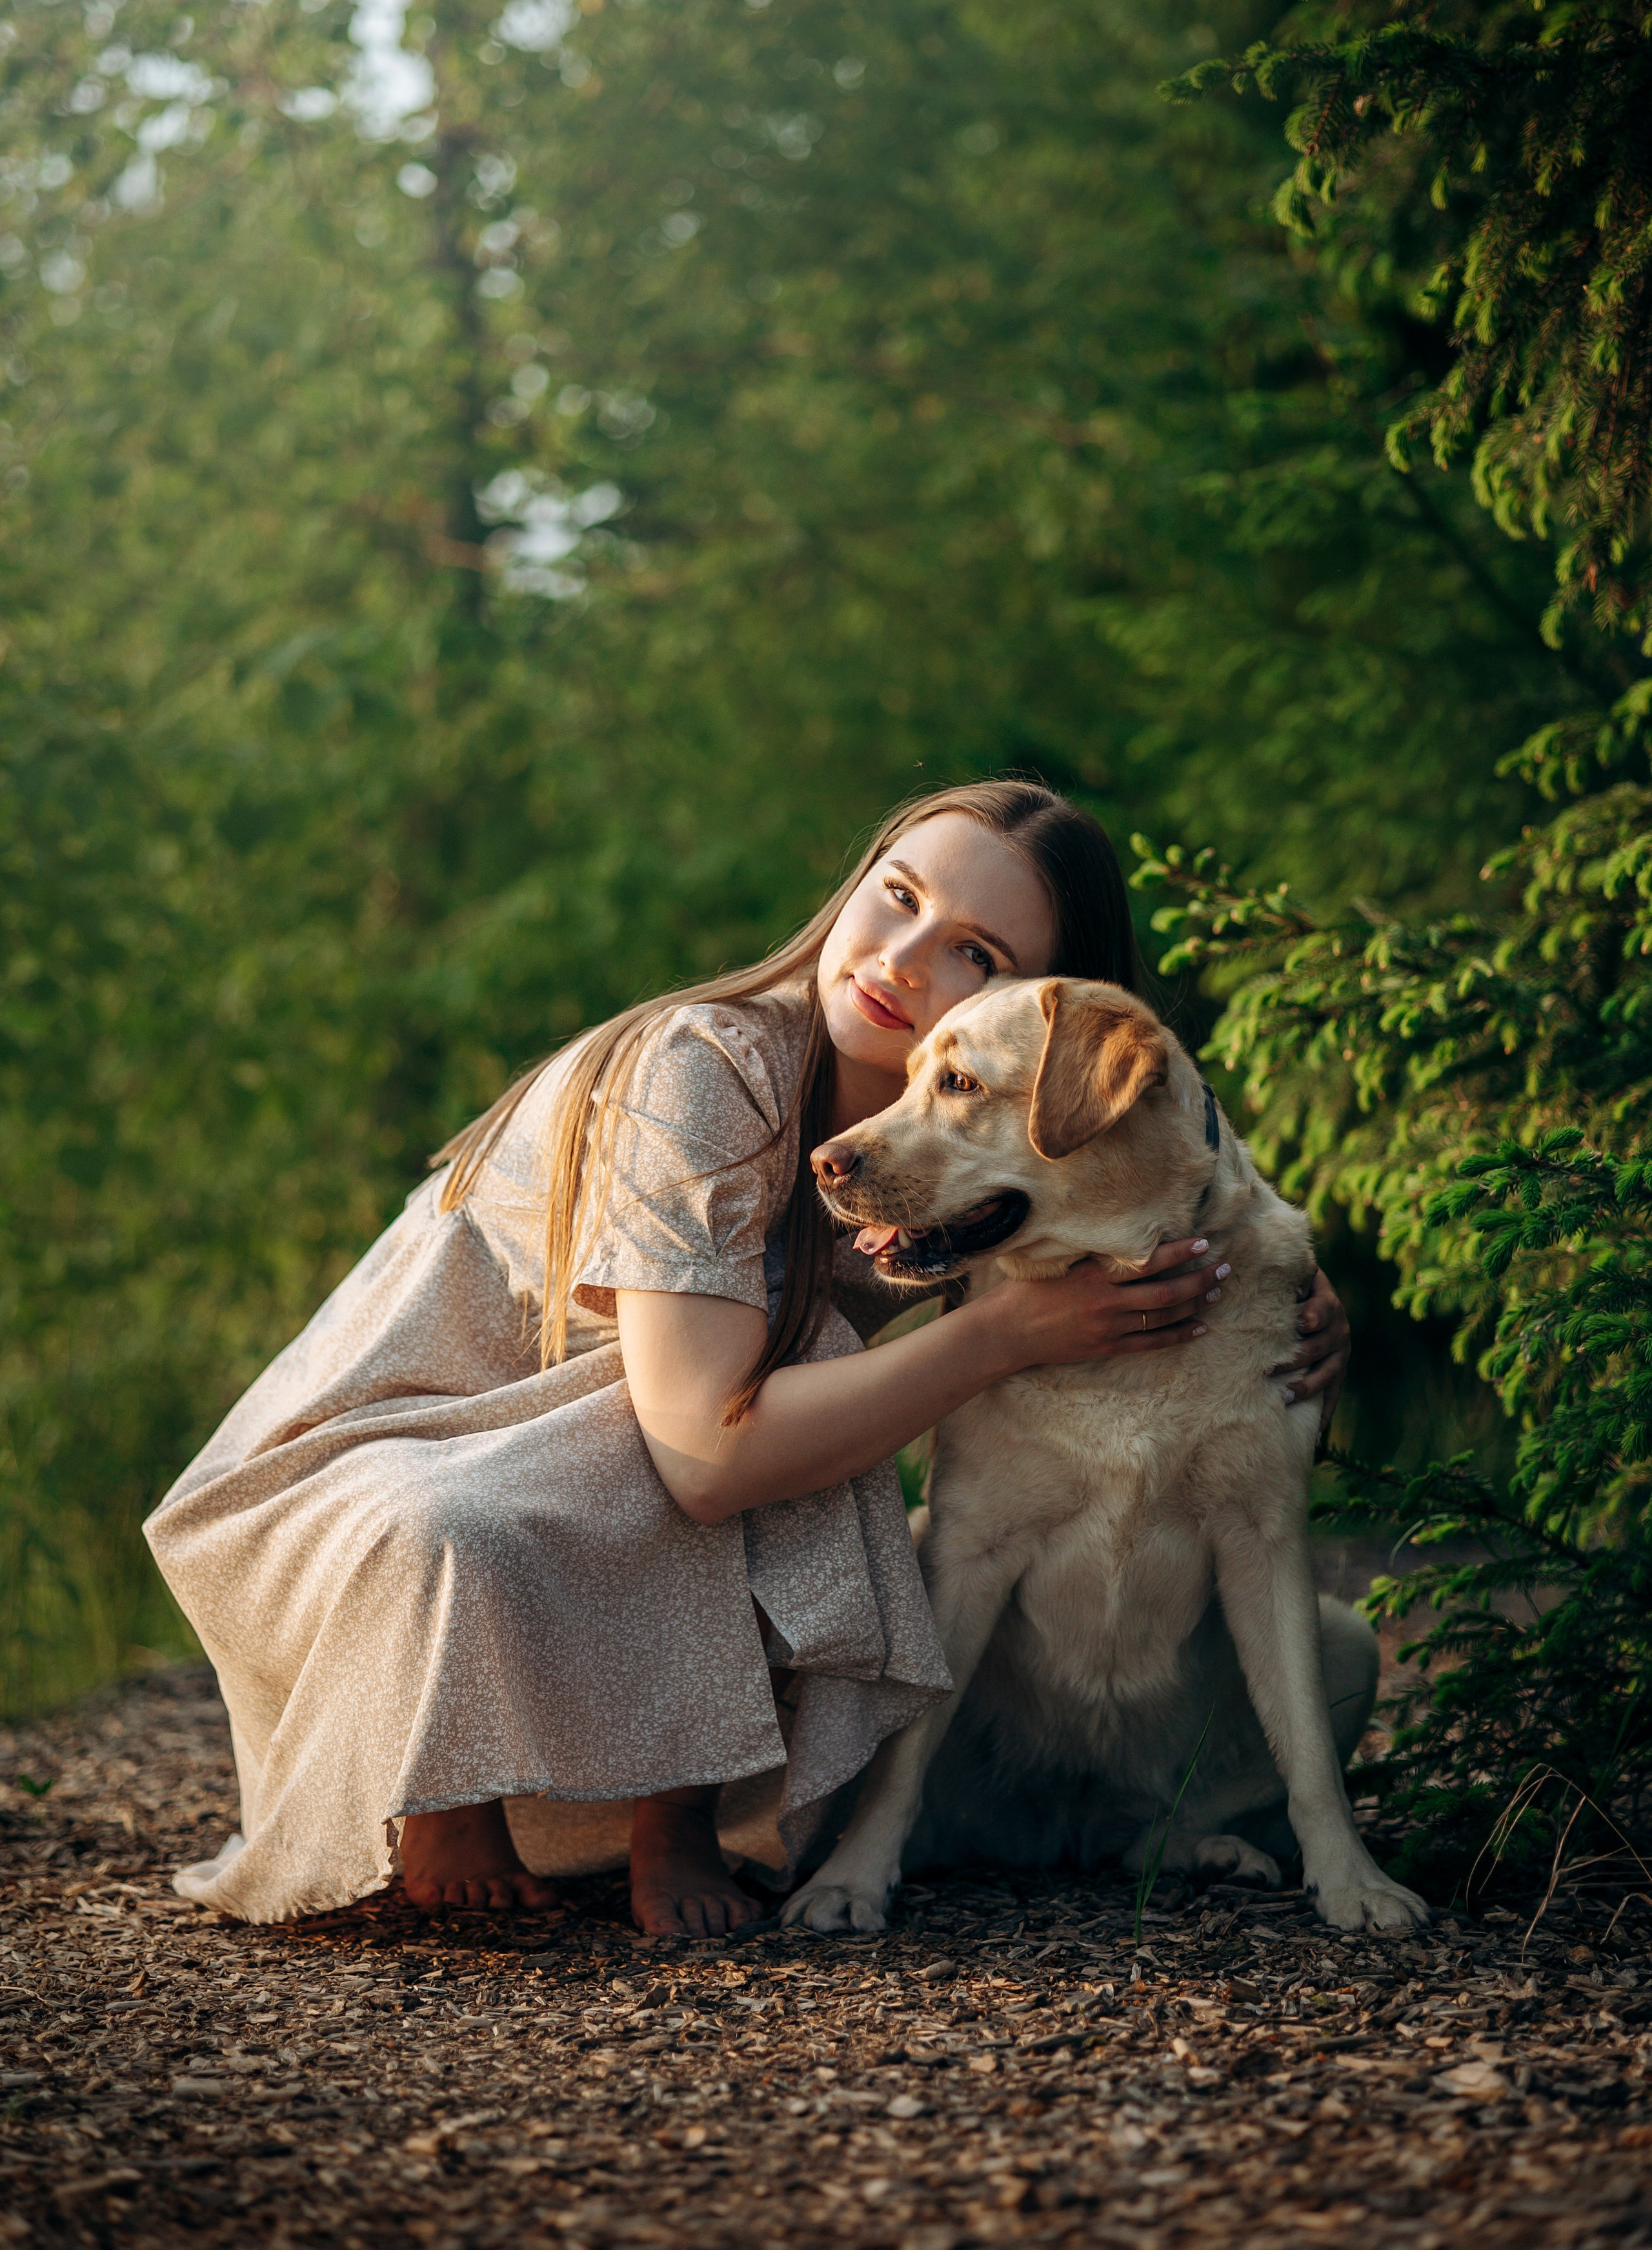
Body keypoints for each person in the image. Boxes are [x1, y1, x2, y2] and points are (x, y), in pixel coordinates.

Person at [145, 781, 1349, 1936]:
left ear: (1042, 1010)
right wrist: (1008, 1333)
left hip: (591, 1466)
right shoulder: (705, 1066)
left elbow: (1145, 1184)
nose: (904, 958)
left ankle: (673, 1802)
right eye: (899, 893)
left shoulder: (956, 1158)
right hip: (406, 1458)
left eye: (976, 956)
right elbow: (707, 1457)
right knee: (720, 1436)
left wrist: (1278, 1288)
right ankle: (447, 1794)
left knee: (797, 1415)